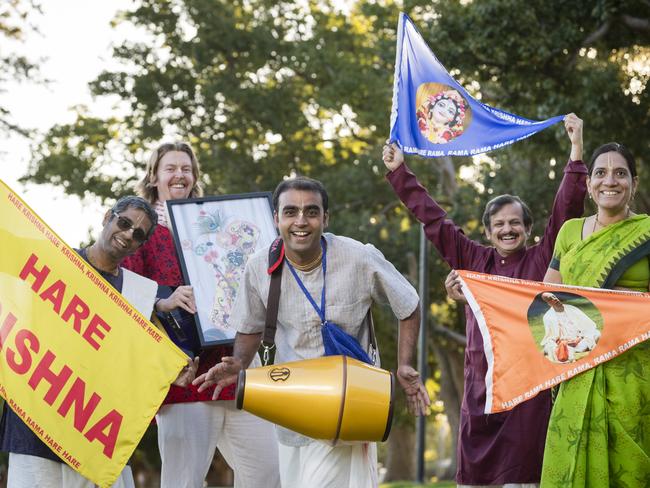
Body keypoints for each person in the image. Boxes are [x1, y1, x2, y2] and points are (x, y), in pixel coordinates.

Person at [383, 113, 588, 487]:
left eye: (515, 223)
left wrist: (575, 153)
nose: (507, 229)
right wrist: (400, 172)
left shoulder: (542, 260)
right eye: (499, 225)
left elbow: (566, 214)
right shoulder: (473, 261)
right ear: (488, 231)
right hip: (480, 395)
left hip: (528, 395)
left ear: (528, 229)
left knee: (524, 476)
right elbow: (434, 222)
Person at [193, 176, 430, 488]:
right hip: (291, 408)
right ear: (276, 218)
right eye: (290, 212)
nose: (300, 221)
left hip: (349, 403)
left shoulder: (358, 256)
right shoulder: (258, 267)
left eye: (311, 212)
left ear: (325, 218)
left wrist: (405, 364)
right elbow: (250, 328)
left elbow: (408, 303)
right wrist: (238, 362)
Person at [0, 196, 198, 488]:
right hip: (35, 428)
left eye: (138, 234)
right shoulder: (56, 261)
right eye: (125, 223)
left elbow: (144, 360)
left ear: (141, 245)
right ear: (108, 217)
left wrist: (176, 372)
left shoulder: (141, 293)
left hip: (94, 436)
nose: (129, 234)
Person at [121, 142, 280, 488]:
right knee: (183, 480)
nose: (179, 175)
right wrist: (164, 296)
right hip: (184, 374)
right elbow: (123, 292)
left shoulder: (221, 230)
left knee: (269, 472)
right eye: (170, 168)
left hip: (235, 366)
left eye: (186, 168)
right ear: (154, 176)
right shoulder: (140, 232)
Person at [540, 142, 650, 487]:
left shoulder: (646, 232)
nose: (610, 181)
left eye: (620, 173)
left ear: (634, 182)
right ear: (588, 185)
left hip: (631, 371)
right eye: (600, 173)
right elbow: (546, 297)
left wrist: (623, 302)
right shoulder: (569, 232)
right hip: (576, 367)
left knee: (629, 471)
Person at [538, 292, 600, 363]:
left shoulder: (572, 309)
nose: (554, 299)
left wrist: (579, 338)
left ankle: (570, 351)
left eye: (554, 296)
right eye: (550, 299)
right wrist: (562, 343)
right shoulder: (548, 317)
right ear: (548, 303)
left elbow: (587, 326)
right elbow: (551, 336)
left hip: (580, 340)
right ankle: (566, 352)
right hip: (564, 343)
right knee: (549, 346)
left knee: (596, 334)